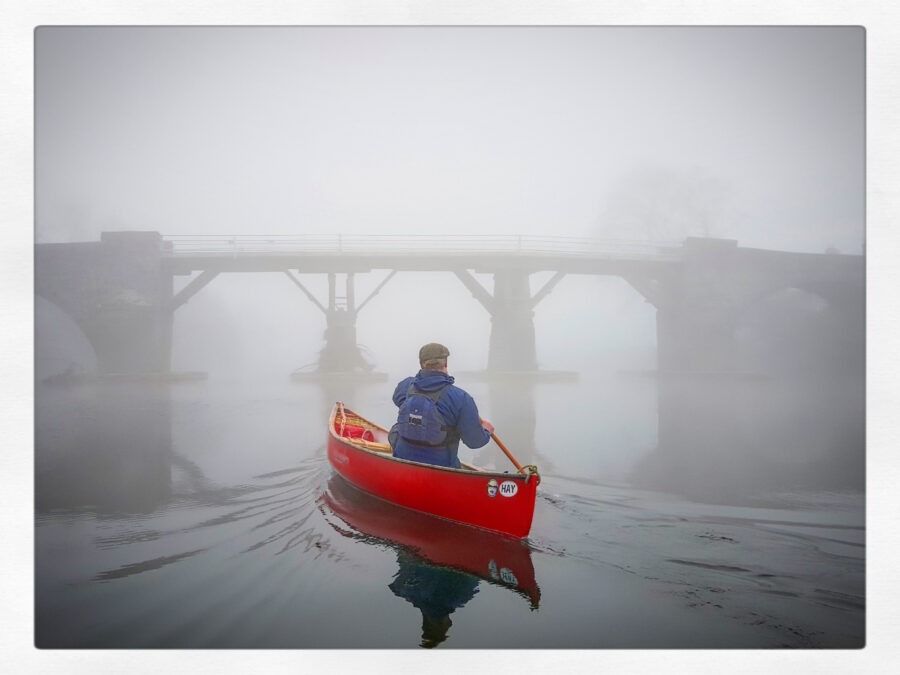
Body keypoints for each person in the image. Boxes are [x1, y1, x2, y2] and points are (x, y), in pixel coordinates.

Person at [389, 342, 494, 468]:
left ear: (421, 364)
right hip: (442, 469)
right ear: (446, 363)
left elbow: (397, 399)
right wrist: (487, 430)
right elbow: (475, 442)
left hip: (401, 463)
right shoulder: (461, 398)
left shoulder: (406, 386)